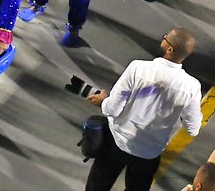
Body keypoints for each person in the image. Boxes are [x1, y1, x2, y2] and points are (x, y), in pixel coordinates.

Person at [85, 29, 203, 191]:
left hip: (117, 141)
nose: (163, 38)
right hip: (149, 153)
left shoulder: (137, 68)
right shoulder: (192, 87)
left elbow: (112, 109)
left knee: (97, 186)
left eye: (166, 38)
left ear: (170, 49)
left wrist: (102, 101)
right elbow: (193, 129)